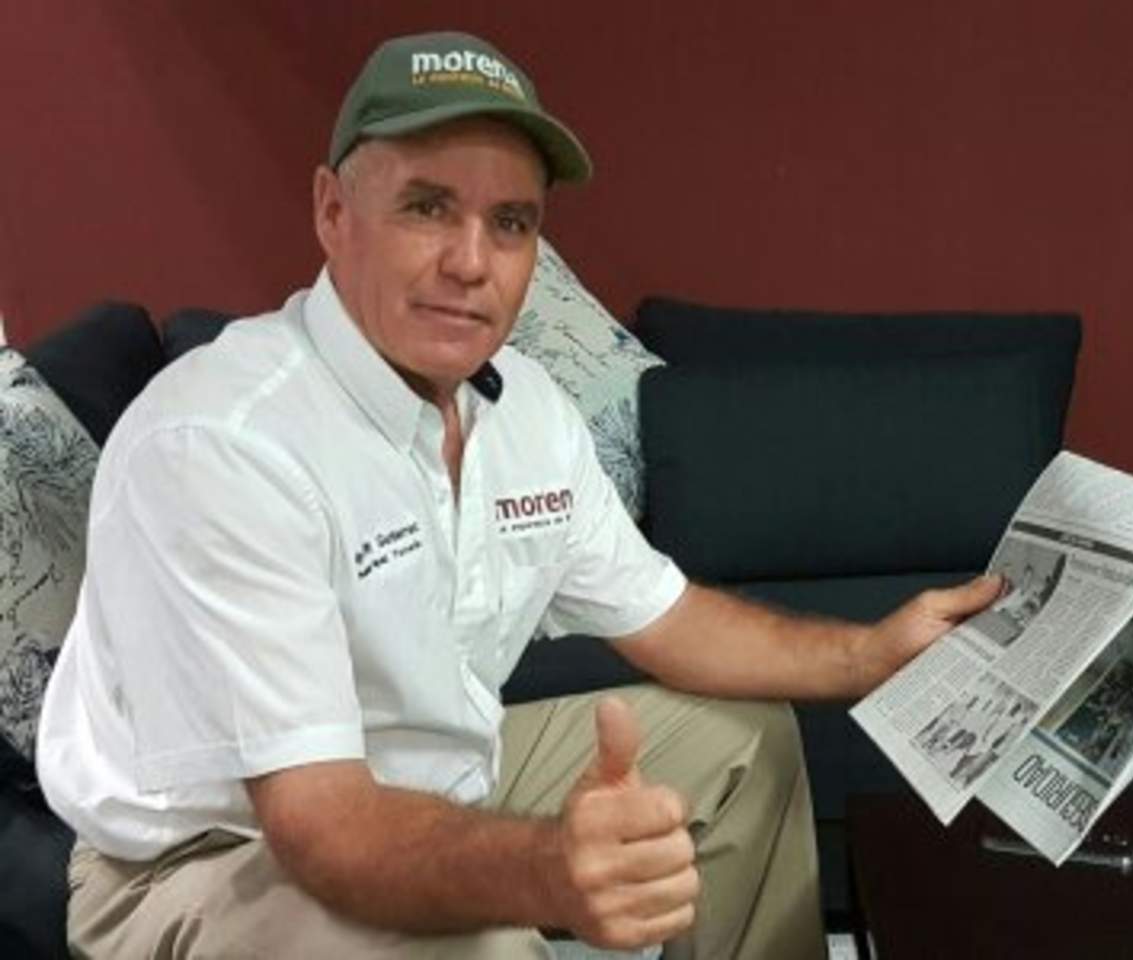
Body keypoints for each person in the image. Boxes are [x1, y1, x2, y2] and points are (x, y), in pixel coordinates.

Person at [36, 30, 1001, 959]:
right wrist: (548, 872)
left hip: (430, 788)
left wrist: (872, 653)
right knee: (484, 942)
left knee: (746, 748)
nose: (471, 263)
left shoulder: (526, 411)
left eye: (510, 223)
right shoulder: (224, 442)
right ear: (333, 211)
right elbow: (323, 825)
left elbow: (671, 621)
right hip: (209, 860)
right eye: (427, 207)